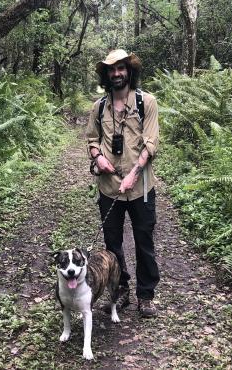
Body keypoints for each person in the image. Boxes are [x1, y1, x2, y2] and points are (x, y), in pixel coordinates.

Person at [85, 49, 160, 318]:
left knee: (144, 242)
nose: (117, 74)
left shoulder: (146, 102)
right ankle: (122, 291)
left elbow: (151, 143)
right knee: (112, 244)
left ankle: (146, 296)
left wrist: (133, 174)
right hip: (108, 187)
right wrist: (98, 158)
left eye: (121, 68)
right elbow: (92, 140)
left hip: (140, 187)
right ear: (106, 74)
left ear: (129, 71)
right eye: (111, 70)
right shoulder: (98, 107)